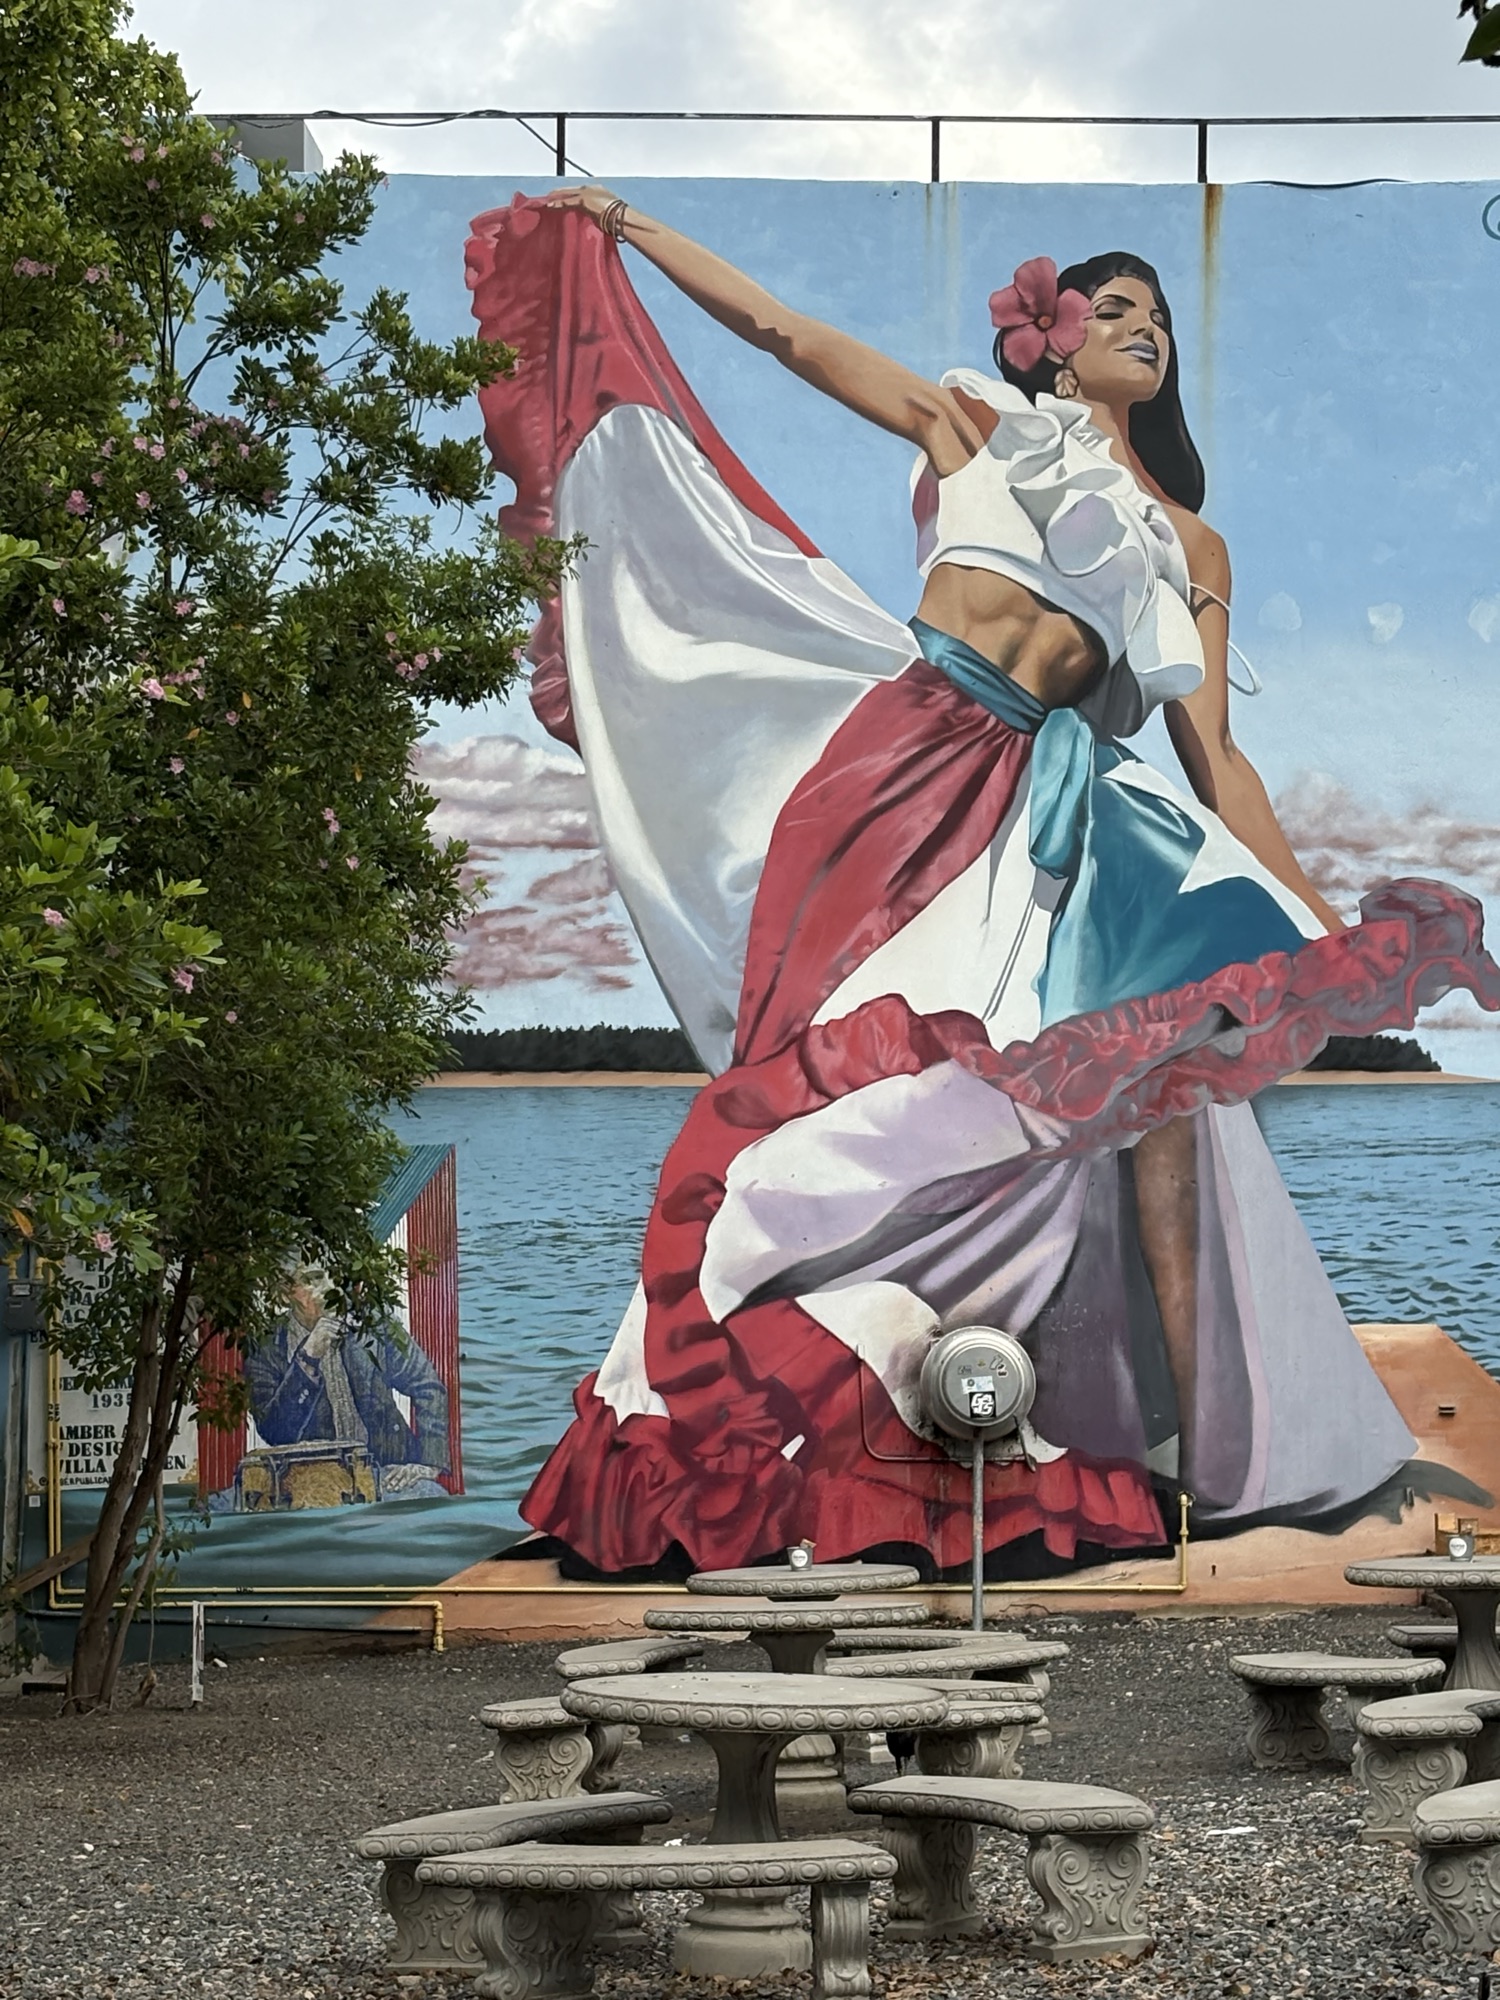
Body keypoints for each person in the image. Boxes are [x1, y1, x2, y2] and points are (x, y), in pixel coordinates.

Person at [463, 188, 1500, 1579]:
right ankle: (776, 1394)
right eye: (1113, 308)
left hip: (1055, 811)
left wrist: (1315, 928)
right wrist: (635, 229)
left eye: (1159, 316)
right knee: (851, 1096)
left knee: (1156, 1100)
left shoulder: (1191, 545)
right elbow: (782, 331)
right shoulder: (975, 424)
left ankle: (1195, 1462)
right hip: (897, 774)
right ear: (1054, 339)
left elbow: (1219, 761)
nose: (1143, 327)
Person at [241, 1270, 451, 1500]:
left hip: (386, 1472)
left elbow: (427, 1385)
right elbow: (274, 1432)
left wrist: (429, 1464)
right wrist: (307, 1359)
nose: (330, 1286)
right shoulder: (265, 1345)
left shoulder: (373, 1323)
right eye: (313, 1279)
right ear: (284, 1293)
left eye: (334, 1275)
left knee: (432, 1495)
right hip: (310, 1483)